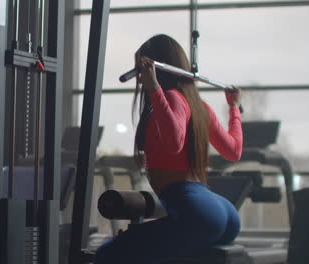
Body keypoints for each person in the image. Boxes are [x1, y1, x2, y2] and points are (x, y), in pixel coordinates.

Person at [94, 34, 243, 264]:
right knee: (136, 244)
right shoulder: (200, 106)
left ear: (158, 69)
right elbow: (234, 150)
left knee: (106, 255)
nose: (141, 78)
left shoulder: (171, 98)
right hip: (223, 214)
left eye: (143, 70)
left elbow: (174, 143)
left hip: (196, 212)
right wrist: (233, 108)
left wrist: (155, 89)